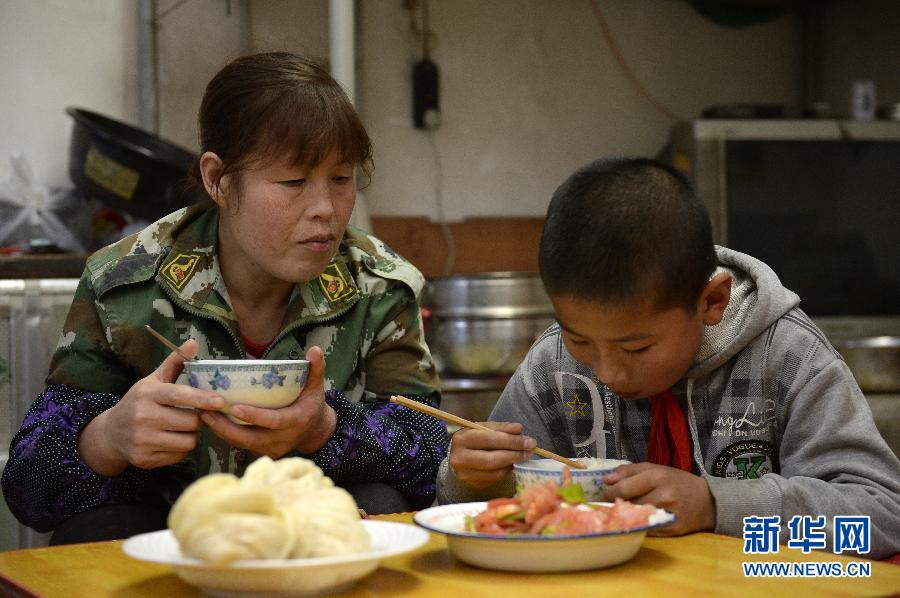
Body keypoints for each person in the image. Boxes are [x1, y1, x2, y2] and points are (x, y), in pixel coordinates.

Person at [2, 52, 449, 544]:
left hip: (314, 548)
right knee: (96, 529)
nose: (325, 209)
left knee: (383, 504)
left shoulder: (379, 286)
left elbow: (433, 458)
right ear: (217, 179)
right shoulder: (123, 283)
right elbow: (28, 489)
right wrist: (107, 437)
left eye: (340, 179)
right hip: (172, 546)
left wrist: (326, 429)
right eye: (294, 182)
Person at [436, 157, 900, 558]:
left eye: (636, 347)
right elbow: (467, 508)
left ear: (711, 301)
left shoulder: (787, 358)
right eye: (580, 339)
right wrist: (472, 480)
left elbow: (881, 516)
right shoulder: (553, 366)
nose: (608, 372)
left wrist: (718, 504)